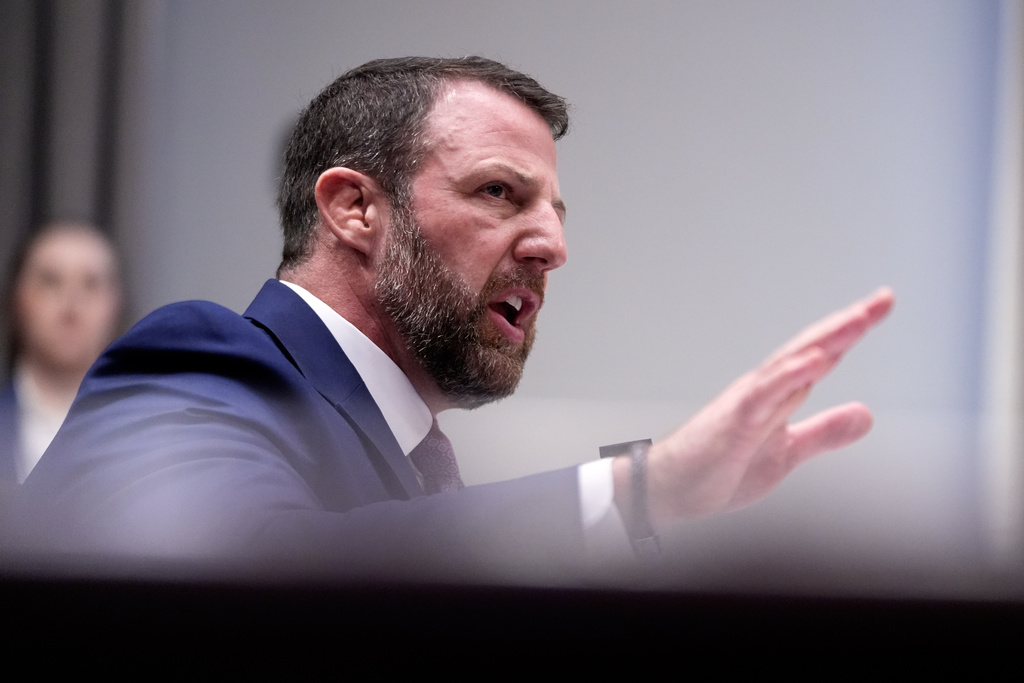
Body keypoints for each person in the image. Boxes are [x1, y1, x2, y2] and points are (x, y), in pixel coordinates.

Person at [17, 57, 893, 581]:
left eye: (556, 211)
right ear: (356, 209)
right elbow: (232, 581)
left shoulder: (419, 467)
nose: (552, 245)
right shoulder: (197, 360)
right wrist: (639, 490)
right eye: (499, 193)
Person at [1, 222, 122, 487]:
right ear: (15, 299)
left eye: (91, 284)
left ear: (116, 304)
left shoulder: (146, 443)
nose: (72, 305)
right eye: (50, 281)